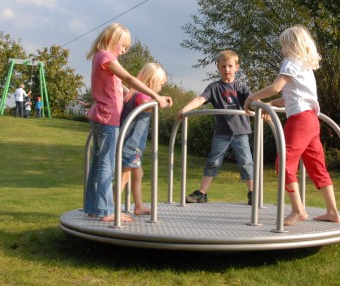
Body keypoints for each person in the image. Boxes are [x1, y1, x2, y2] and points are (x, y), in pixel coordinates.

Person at [243, 25, 340, 226]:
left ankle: (298, 210)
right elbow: (289, 97)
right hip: (312, 121)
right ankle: (332, 211)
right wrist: (269, 105)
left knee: (283, 164)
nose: (281, 51)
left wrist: (251, 98)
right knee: (318, 167)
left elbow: (276, 87)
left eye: (283, 46)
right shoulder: (305, 67)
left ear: (292, 45)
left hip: (300, 121)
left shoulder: (290, 63)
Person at [84, 23, 171, 223]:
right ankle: (106, 210)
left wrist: (140, 94)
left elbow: (120, 85)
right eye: (123, 46)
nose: (124, 51)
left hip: (102, 116)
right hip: (108, 118)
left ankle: (93, 206)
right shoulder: (107, 57)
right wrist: (155, 95)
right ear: (114, 40)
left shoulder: (101, 58)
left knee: (98, 163)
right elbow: (129, 77)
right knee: (107, 164)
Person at [177, 50, 255, 205]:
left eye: (230, 66)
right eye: (223, 66)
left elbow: (253, 102)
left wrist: (263, 111)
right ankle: (202, 193)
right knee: (213, 161)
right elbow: (200, 99)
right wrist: (185, 109)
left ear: (237, 67)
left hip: (240, 132)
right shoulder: (214, 87)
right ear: (218, 67)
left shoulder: (241, 87)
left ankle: (253, 193)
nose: (227, 69)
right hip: (222, 133)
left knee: (246, 162)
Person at [119, 63, 172, 216]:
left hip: (131, 143)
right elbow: (145, 105)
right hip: (131, 144)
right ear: (153, 80)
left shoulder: (133, 92)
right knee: (125, 175)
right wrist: (159, 101)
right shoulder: (142, 95)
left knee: (138, 174)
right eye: (161, 84)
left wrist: (160, 99)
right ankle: (112, 208)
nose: (161, 89)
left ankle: (139, 206)